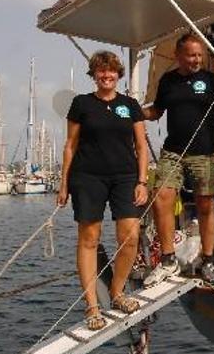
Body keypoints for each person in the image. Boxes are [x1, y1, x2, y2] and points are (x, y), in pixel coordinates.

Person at [57, 50, 149, 331]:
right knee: (89, 238)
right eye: (100, 71)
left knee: (130, 236)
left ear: (118, 74)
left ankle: (117, 292)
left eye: (110, 71)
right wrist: (63, 184)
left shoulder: (130, 105)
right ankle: (92, 305)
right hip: (88, 177)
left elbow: (141, 146)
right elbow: (70, 145)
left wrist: (142, 181)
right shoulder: (81, 103)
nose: (106, 75)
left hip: (125, 177)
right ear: (94, 75)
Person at [142, 33, 214, 286]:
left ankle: (208, 261)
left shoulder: (210, 80)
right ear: (178, 56)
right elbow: (156, 112)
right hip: (173, 150)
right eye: (191, 55)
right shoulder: (167, 81)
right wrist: (135, 111)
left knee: (205, 206)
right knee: (161, 197)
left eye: (200, 55)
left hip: (204, 152)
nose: (197, 60)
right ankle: (167, 260)